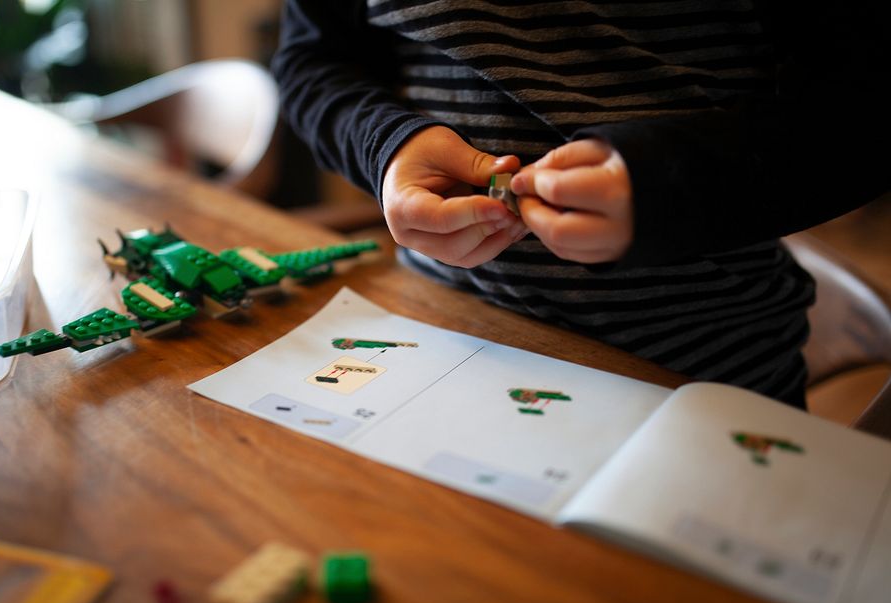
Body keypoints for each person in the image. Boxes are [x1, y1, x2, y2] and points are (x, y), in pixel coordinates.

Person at [271, 1, 890, 407]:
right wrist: (385, 145)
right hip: (441, 345)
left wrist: (669, 182)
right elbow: (311, 62)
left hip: (698, 381)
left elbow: (863, 112)